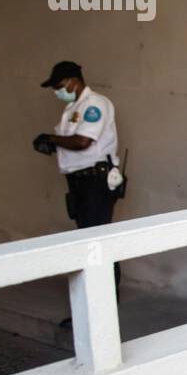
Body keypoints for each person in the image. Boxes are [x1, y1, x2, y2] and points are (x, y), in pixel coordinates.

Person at [34, 60, 124, 297]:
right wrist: (51, 144)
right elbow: (72, 142)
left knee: (97, 241)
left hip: (95, 181)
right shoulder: (74, 108)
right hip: (80, 182)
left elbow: (84, 141)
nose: (57, 92)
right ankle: (95, 300)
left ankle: (104, 299)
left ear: (73, 82)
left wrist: (51, 139)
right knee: (89, 240)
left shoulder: (95, 104)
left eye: (59, 86)